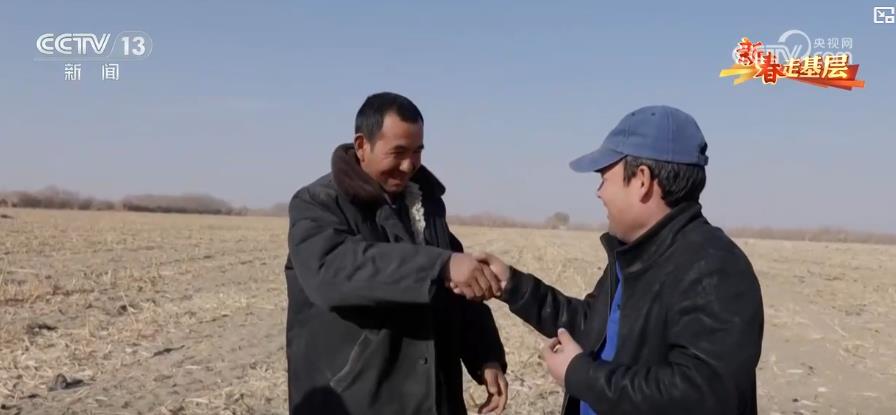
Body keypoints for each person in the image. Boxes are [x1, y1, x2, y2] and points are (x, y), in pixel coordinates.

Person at [472, 105, 764, 414]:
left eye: (604, 177)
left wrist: (580, 375)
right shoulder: (636, 254)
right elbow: (592, 326)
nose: (599, 192)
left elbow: (702, 395)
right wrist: (512, 285)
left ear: (642, 180)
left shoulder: (714, 268)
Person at [284, 92, 508, 414]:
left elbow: (458, 293)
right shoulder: (318, 203)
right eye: (398, 152)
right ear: (362, 146)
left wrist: (485, 356)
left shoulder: (425, 205)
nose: (408, 165)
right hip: (355, 402)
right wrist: (439, 266)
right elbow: (332, 271)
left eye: (417, 152)